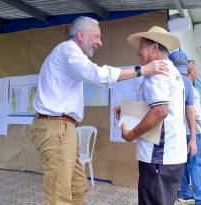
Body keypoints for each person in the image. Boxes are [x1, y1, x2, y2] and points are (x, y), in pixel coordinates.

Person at [31, 16, 170, 205]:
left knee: (78, 186)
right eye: (96, 37)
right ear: (80, 35)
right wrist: (142, 70)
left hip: (64, 128)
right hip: (55, 126)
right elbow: (96, 74)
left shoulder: (69, 56)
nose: (100, 43)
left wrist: (70, 135)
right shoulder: (67, 50)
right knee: (59, 194)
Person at [117, 26, 186, 205]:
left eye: (142, 46)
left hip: (158, 157)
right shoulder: (173, 72)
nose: (138, 51)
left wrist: (131, 134)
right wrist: (128, 112)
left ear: (154, 47)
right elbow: (163, 110)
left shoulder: (157, 74)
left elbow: (160, 112)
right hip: (170, 156)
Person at [178, 60, 201, 205]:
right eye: (196, 71)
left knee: (184, 164)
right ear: (191, 71)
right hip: (192, 131)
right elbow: (194, 111)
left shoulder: (177, 86)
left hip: (180, 131)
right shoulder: (190, 87)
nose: (197, 73)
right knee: (196, 164)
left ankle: (185, 193)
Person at [169, 49, 197, 157]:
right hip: (180, 133)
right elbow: (190, 111)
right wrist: (193, 139)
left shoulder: (166, 78)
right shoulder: (188, 82)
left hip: (163, 134)